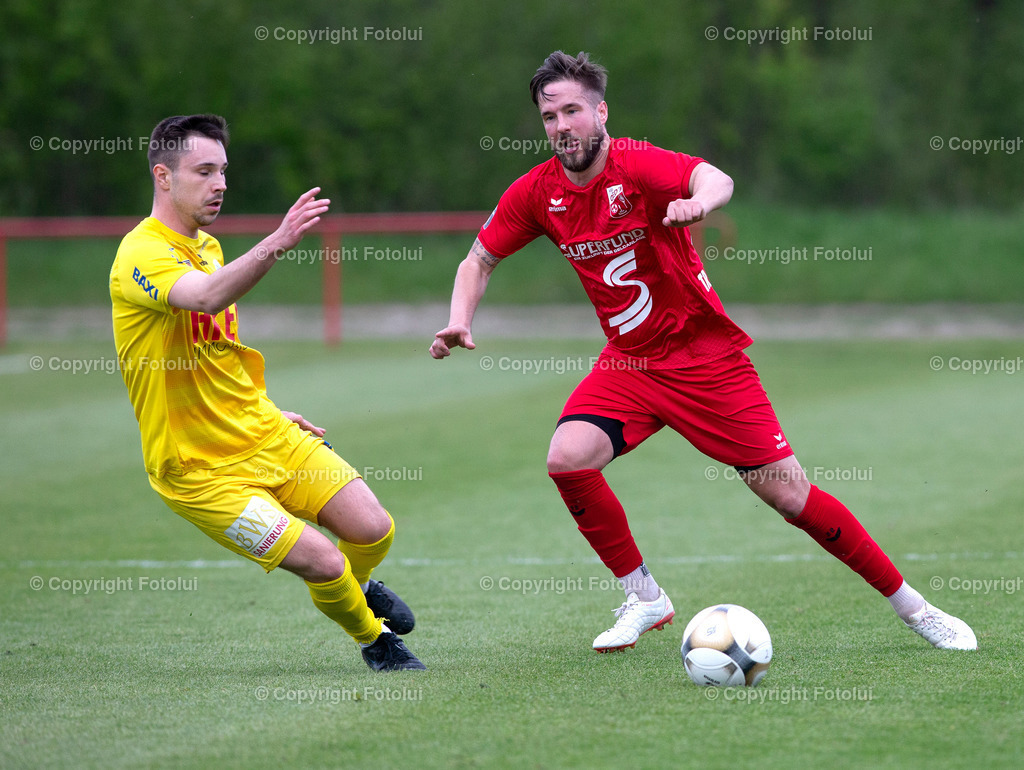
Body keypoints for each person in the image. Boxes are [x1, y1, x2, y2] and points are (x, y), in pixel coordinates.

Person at [430, 51, 976, 653]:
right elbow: (478, 259)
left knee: (790, 496)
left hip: (705, 361)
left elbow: (714, 177)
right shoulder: (538, 192)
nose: (561, 126)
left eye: (572, 111)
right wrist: (459, 319)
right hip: (630, 363)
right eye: (549, 116)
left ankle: (917, 610)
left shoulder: (637, 164)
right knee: (568, 458)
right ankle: (644, 598)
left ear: (600, 111)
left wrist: (700, 203)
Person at [111, 114, 425, 671]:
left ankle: (359, 587)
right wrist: (279, 241)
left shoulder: (207, 246)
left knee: (373, 528)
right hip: (198, 470)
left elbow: (218, 352)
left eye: (223, 171)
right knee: (324, 562)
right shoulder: (140, 254)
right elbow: (205, 299)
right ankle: (375, 640)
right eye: (204, 171)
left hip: (262, 431)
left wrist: (268, 409)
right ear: (163, 176)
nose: (220, 184)